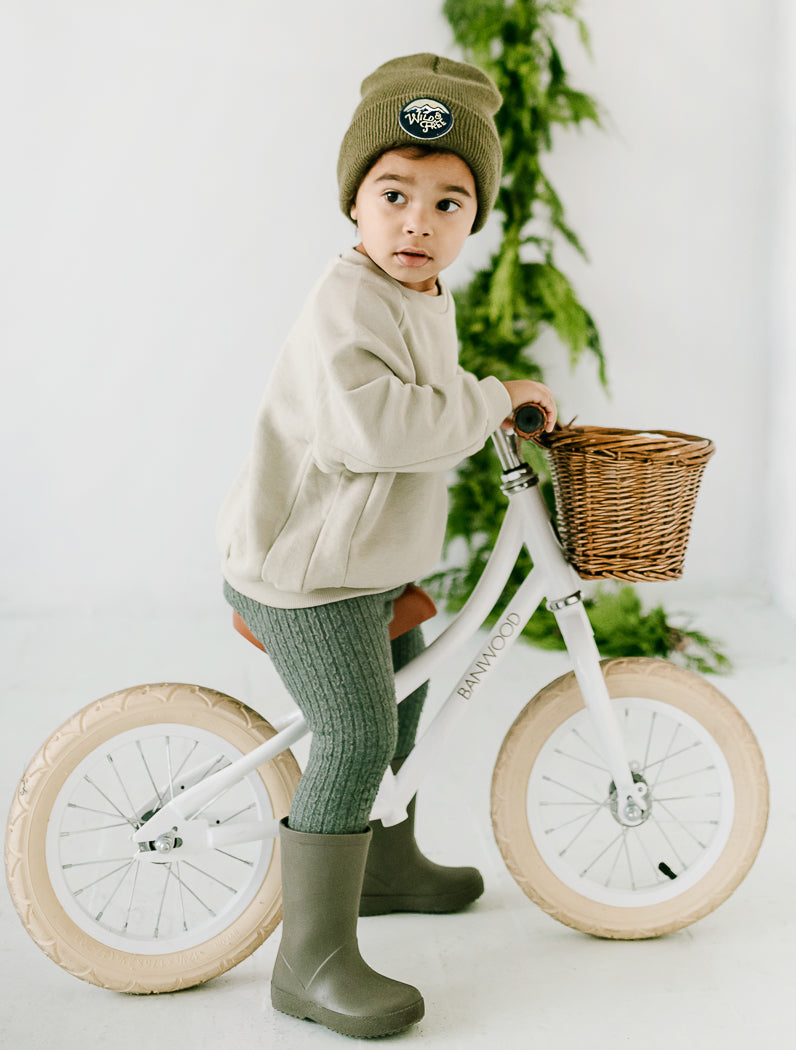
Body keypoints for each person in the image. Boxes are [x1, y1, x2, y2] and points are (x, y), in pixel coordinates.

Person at [216, 53, 556, 1039]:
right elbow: (375, 428)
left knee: (400, 714)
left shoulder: (420, 296)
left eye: (450, 203)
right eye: (395, 193)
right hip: (306, 573)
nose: (420, 221)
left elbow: (420, 386)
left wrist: (486, 393)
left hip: (364, 563)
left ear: (471, 222)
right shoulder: (345, 302)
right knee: (358, 732)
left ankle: (386, 864)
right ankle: (308, 959)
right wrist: (491, 401)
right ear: (354, 204)